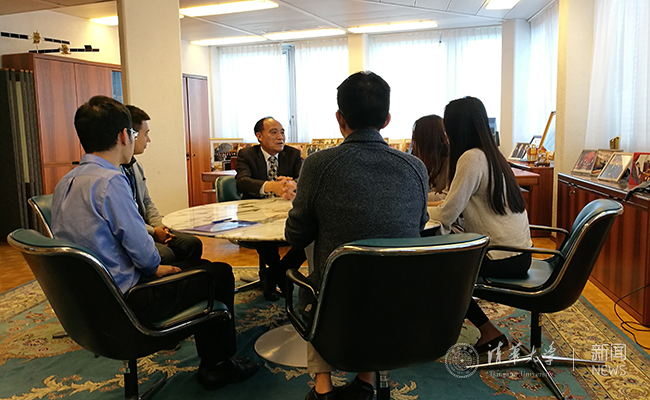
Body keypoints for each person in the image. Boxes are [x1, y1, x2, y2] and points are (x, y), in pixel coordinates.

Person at [51, 96, 258, 391]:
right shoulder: (110, 181)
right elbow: (144, 253)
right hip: (127, 301)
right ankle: (218, 366)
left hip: (88, 301)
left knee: (197, 266)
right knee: (219, 274)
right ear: (124, 136)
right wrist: (154, 268)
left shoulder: (66, 181)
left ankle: (194, 334)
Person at [285, 72, 429, 400]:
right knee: (374, 266)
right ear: (387, 119)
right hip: (402, 300)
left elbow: (296, 235)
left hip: (338, 304)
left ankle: (323, 389)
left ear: (340, 118)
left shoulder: (318, 165)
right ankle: (366, 381)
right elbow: (419, 226)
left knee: (322, 274)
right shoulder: (415, 168)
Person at [428, 96, 533, 355]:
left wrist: (416, 209)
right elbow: (453, 202)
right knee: (446, 261)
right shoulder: (493, 155)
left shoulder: (471, 158)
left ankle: (489, 332)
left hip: (501, 256)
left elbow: (447, 214)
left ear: (455, 128)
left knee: (440, 271)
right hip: (520, 253)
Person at [235, 116, 307, 301]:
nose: (281, 137)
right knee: (264, 238)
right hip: (255, 214)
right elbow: (242, 182)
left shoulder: (292, 154)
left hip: (285, 212)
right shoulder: (247, 154)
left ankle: (273, 274)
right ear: (259, 136)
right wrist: (270, 186)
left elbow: (303, 178)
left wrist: (292, 184)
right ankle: (281, 277)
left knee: (308, 235)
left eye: (282, 132)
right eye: (274, 132)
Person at [121, 105, 203, 264]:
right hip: (136, 233)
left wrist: (162, 227)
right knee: (166, 254)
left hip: (149, 228)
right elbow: (126, 220)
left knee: (192, 243)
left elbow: (146, 202)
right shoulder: (113, 175)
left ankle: (190, 276)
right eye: (146, 134)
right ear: (132, 135)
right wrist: (153, 231)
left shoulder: (136, 166)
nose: (148, 140)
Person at [411, 115, 449, 204]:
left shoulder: (450, 162)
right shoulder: (426, 161)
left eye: (415, 139)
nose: (413, 144)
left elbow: (447, 198)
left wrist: (416, 197)